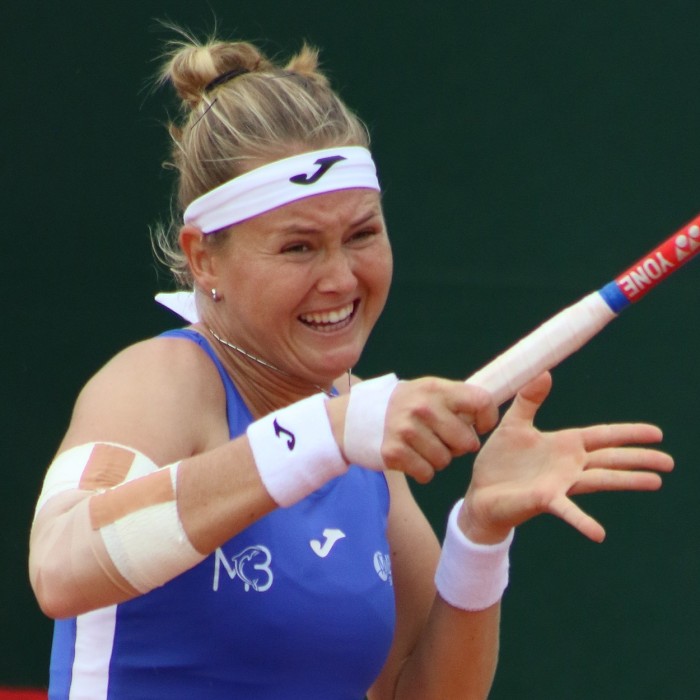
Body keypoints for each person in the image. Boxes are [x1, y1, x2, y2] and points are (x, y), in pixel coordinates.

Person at [29, 30, 674, 700]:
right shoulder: (161, 381)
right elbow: (59, 563)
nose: (341, 279)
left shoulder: (358, 423)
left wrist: (479, 537)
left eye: (362, 234)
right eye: (299, 247)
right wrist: (328, 433)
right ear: (203, 259)